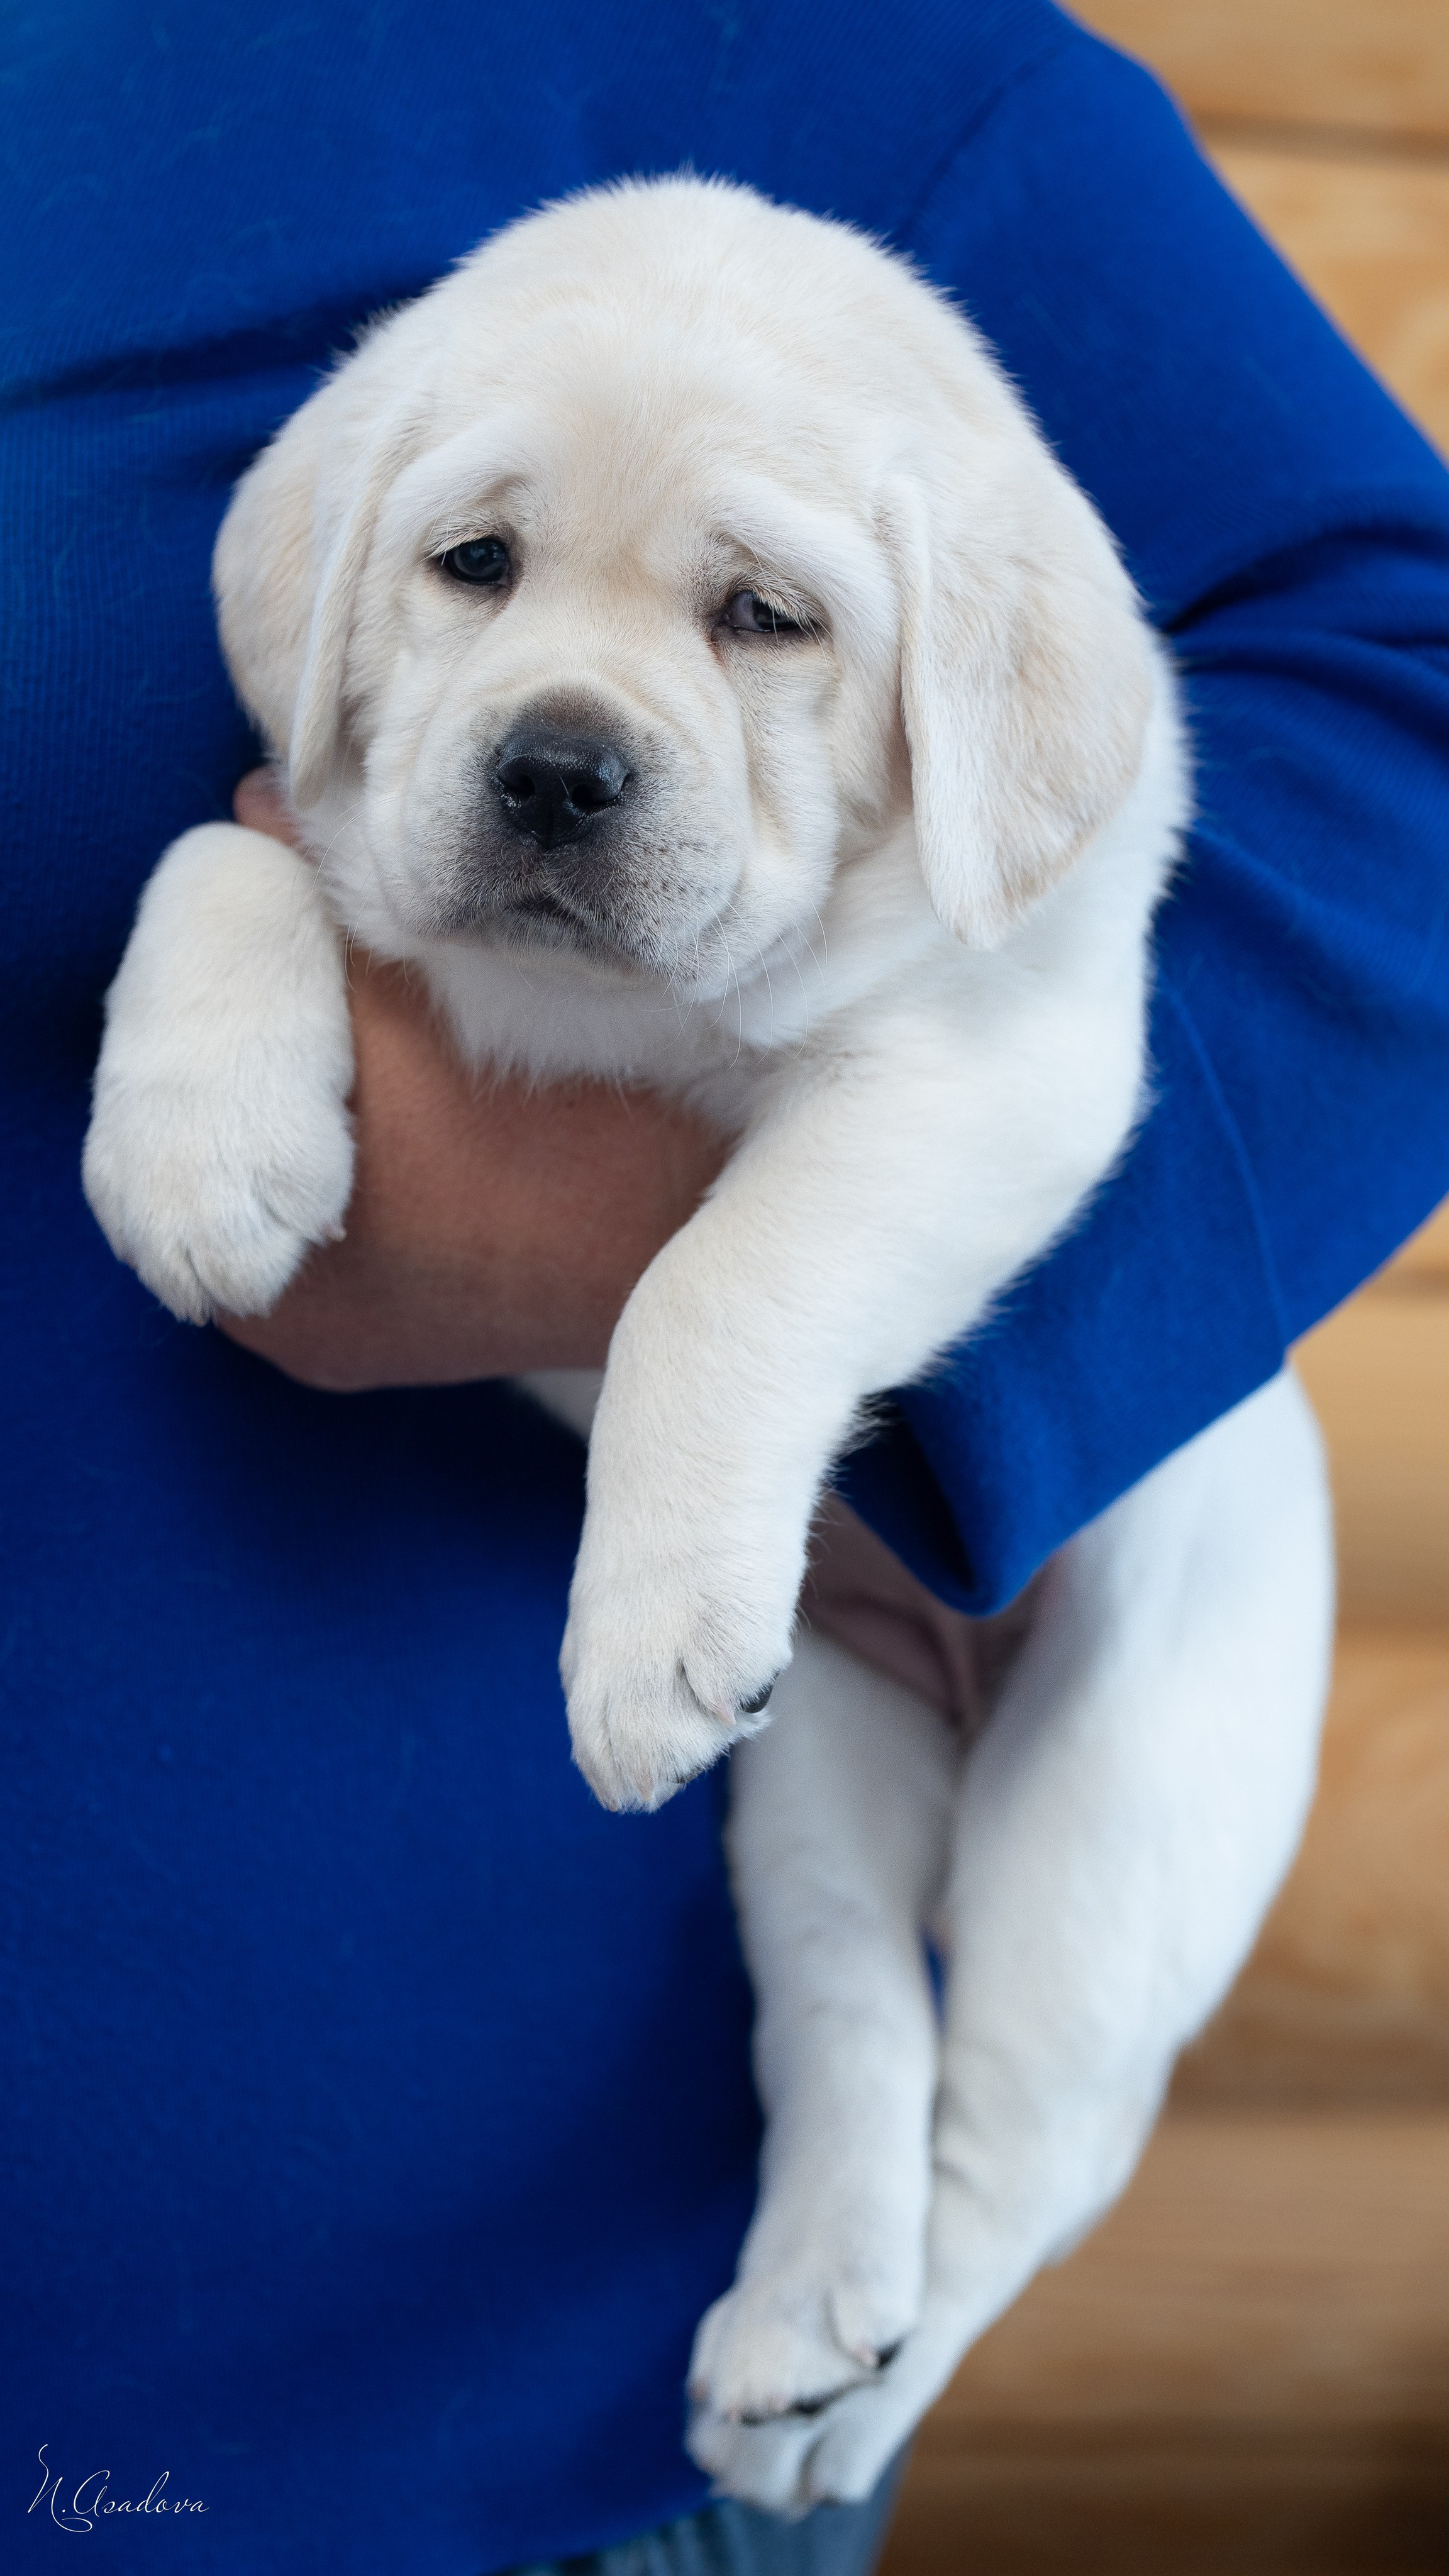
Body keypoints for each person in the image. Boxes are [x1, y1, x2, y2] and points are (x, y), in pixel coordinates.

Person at [6, 3, 1449, 2569]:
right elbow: (265, 839)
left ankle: (925, 2265)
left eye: (755, 615)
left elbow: (1397, 714)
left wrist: (643, 1271)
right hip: (158, 2334)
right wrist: (232, 929)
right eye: (474, 570)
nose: (575, 724)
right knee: (826, 1909)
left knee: (1043, 1928)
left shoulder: (861, 65)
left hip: (513, 2399)